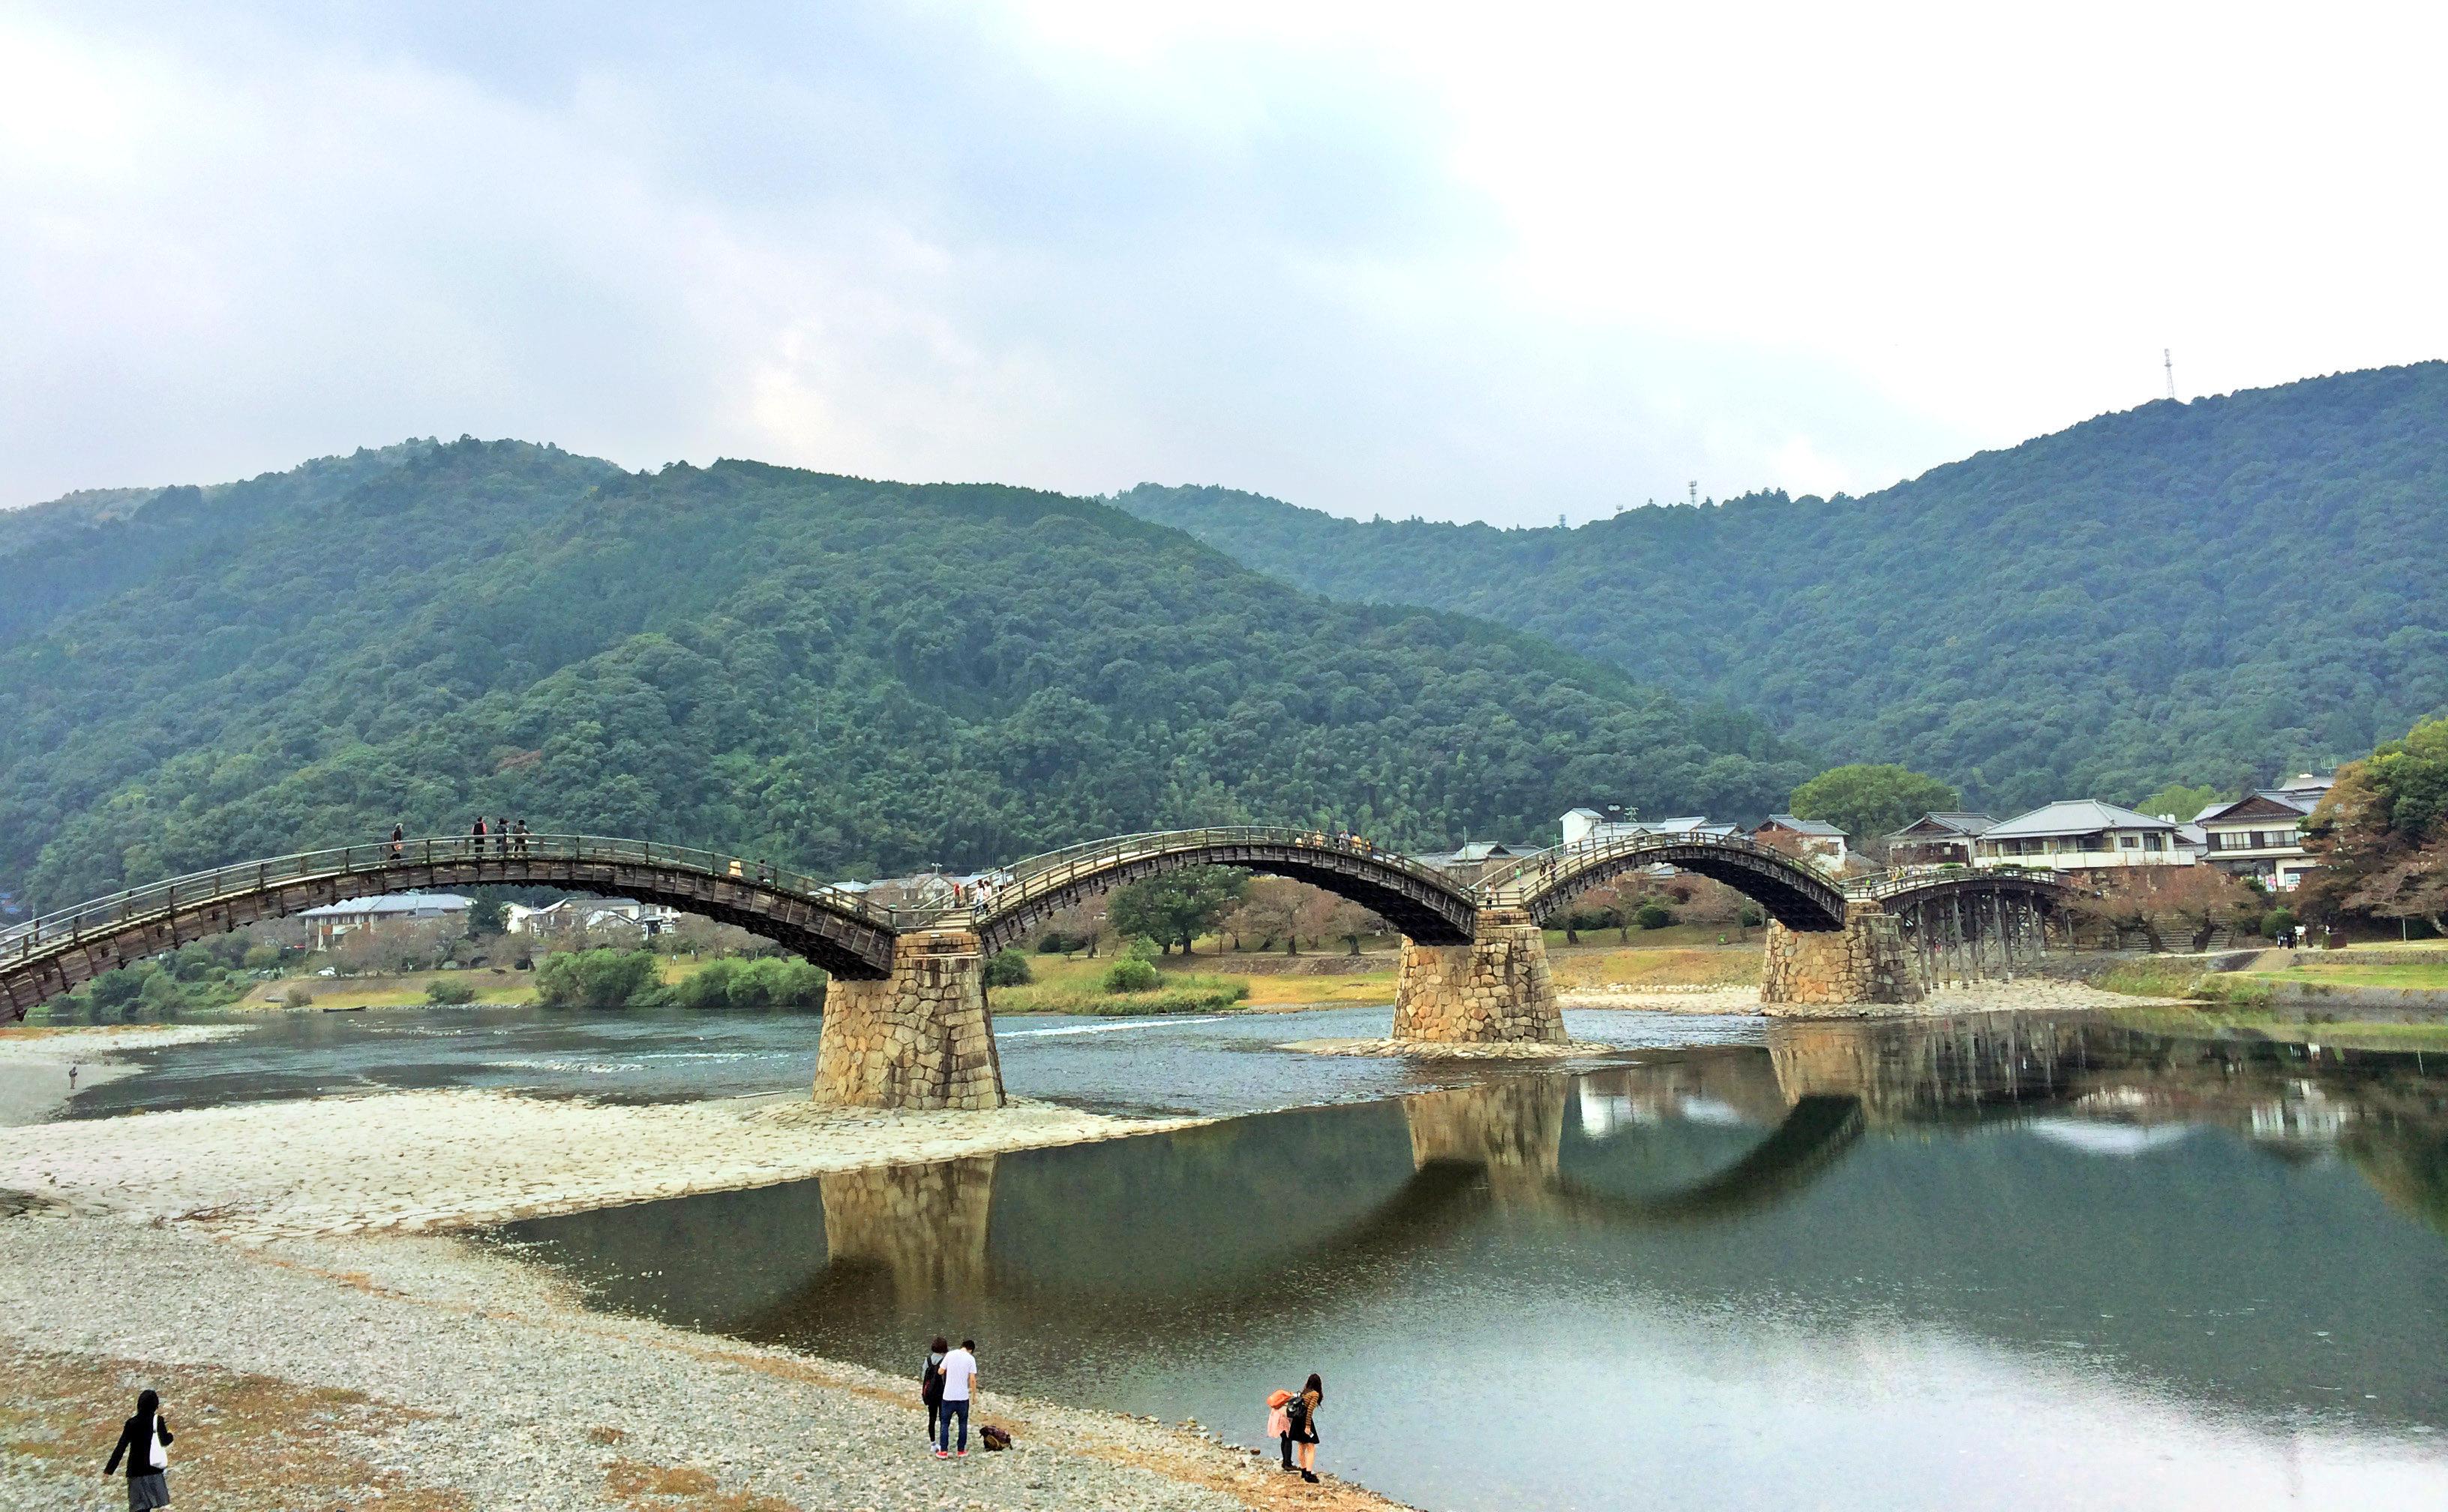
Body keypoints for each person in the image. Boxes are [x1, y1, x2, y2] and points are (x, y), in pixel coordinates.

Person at [102, 1387, 172, 1510]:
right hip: (153, 1470)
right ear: (155, 1405)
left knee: (138, 1507)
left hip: (135, 1473)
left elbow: (121, 1447)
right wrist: (171, 1436)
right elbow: (165, 1441)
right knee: (150, 1506)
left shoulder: (131, 1423)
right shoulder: (158, 1421)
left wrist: (109, 1469)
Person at [935, 1338, 978, 1458]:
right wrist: (974, 1395)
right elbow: (972, 1380)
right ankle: (961, 1451)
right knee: (963, 1423)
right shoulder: (971, 1359)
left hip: (948, 1396)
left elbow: (940, 1371)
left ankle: (943, 1451)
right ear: (971, 1350)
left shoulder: (950, 1355)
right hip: (963, 1397)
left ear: (962, 1346)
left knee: (945, 1423)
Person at [1286, 1372, 1323, 1483]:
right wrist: (1308, 1426)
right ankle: (1309, 1474)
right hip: (1305, 1421)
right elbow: (1309, 1412)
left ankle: (1303, 1471)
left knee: (1301, 1446)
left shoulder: (1304, 1392)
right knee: (1311, 1447)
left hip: (1297, 1421)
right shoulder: (1315, 1394)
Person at [920, 1336, 950, 1443]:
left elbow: (923, 1377)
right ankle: (943, 1443)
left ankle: (933, 1443)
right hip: (942, 1394)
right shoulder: (945, 1361)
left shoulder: (927, 1360)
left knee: (931, 1419)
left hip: (930, 1394)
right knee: (943, 1419)